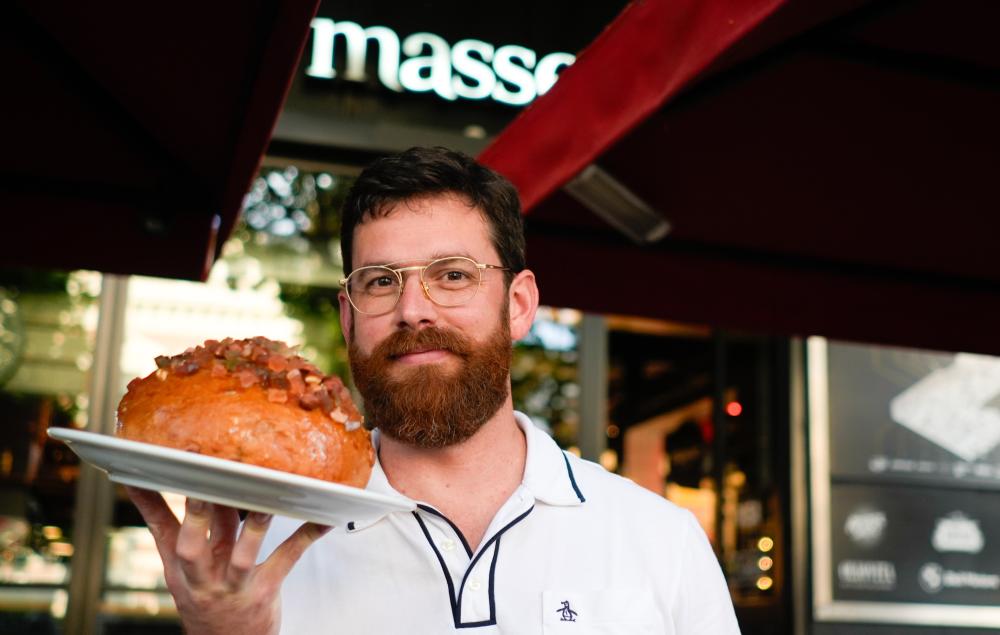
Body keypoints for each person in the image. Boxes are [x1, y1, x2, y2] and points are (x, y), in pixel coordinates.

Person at [128, 146, 741, 634]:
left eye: (453, 275)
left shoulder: (660, 538)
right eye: (380, 281)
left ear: (519, 304)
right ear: (348, 318)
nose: (414, 310)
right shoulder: (258, 556)